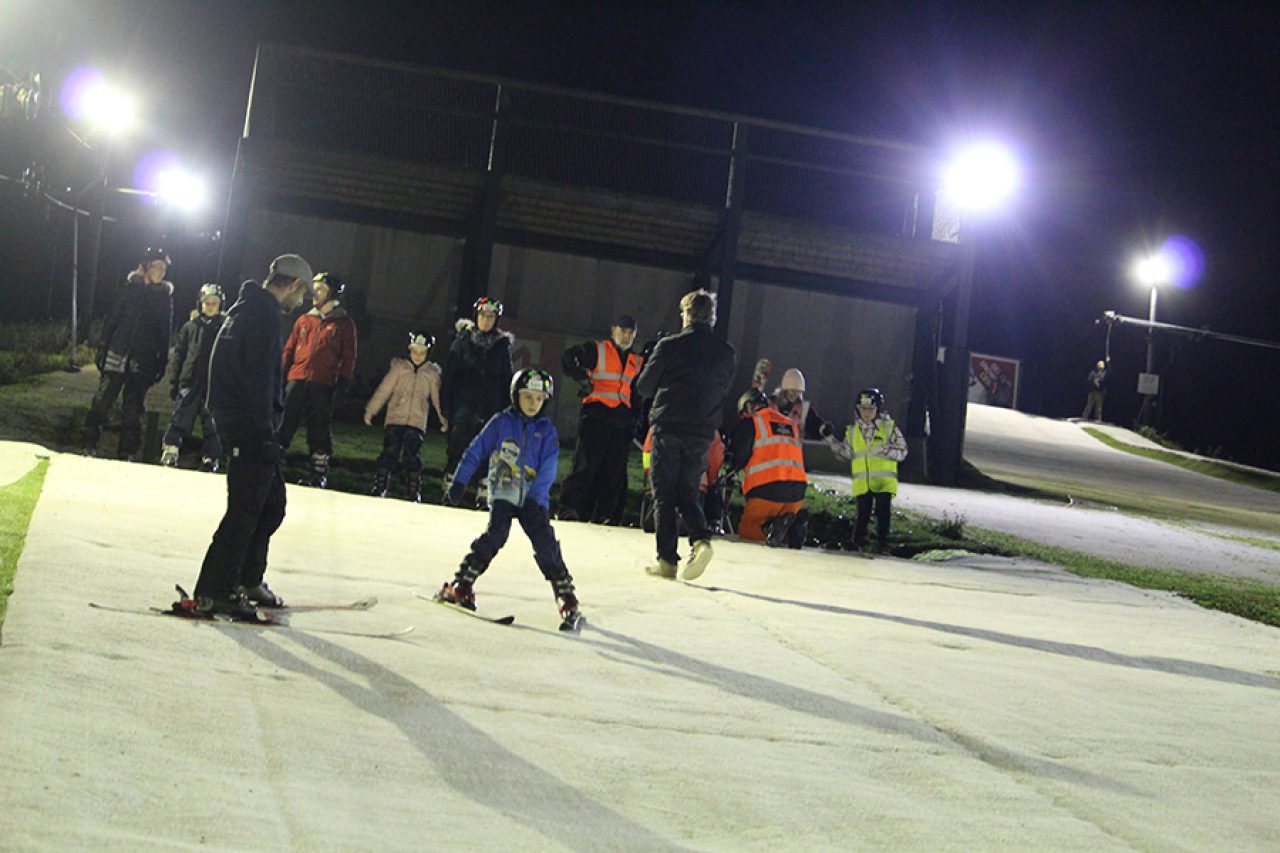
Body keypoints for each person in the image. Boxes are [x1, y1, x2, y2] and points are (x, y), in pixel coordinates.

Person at [187, 254, 313, 620]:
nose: (301, 302)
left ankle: (247, 577)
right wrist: (263, 433)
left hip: (246, 422)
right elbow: (258, 381)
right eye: (302, 294)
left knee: (271, 504)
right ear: (292, 285)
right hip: (249, 426)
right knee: (243, 512)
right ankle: (214, 589)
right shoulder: (260, 317)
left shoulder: (249, 309)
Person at [436, 368, 581, 628]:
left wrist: (536, 497)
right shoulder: (501, 422)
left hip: (533, 501)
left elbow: (549, 467)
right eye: (528, 397)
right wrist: (459, 481)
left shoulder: (547, 430)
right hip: (503, 493)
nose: (533, 404)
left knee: (545, 543)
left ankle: (565, 595)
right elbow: (476, 450)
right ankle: (462, 582)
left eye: (539, 398)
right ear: (516, 396)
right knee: (495, 535)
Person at [632, 289, 735, 580]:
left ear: (687, 315)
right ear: (712, 318)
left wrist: (656, 364)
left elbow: (644, 387)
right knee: (688, 491)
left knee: (664, 495)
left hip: (669, 425)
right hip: (703, 431)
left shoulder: (670, 346)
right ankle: (701, 541)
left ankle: (667, 561)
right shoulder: (726, 353)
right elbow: (722, 389)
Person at [81, 247, 174, 460]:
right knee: (102, 402)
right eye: (157, 267)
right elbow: (113, 319)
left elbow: (165, 332)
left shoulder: (164, 298)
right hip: (117, 353)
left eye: (163, 269)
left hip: (143, 361)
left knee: (133, 411)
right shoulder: (128, 289)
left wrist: (161, 361)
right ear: (146, 268)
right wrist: (103, 348)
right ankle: (88, 443)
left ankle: (127, 453)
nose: (161, 272)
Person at [557, 314, 645, 523]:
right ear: (613, 330)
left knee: (612, 472)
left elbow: (636, 393)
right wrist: (581, 378)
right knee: (585, 465)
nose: (626, 335)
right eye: (623, 330)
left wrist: (634, 419)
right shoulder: (598, 350)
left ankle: (603, 514)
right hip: (597, 416)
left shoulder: (636, 361)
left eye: (631, 332)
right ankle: (569, 507)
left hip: (621, 422)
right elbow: (568, 358)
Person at [279, 271, 358, 488]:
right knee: (285, 420)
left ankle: (318, 471)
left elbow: (349, 356)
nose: (314, 292)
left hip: (323, 382)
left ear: (332, 293)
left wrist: (342, 382)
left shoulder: (343, 323)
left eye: (320, 288)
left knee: (319, 427)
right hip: (298, 376)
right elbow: (289, 349)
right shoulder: (304, 319)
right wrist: (282, 373)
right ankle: (272, 463)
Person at [440, 296, 514, 501]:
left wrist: (507, 411)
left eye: (491, 316)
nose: (486, 320)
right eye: (483, 315)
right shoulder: (462, 341)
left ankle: (483, 493)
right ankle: (450, 490)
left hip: (490, 409)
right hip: (463, 407)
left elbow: (506, 381)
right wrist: (446, 407)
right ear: (476, 316)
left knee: (488, 452)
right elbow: (449, 376)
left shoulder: (501, 346)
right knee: (457, 448)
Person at [363, 332, 447, 502]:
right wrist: (371, 410)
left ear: (428, 354)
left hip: (417, 422)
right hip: (395, 419)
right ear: (409, 350)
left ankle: (413, 490)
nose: (417, 356)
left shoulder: (431, 374)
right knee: (389, 452)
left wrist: (442, 418)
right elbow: (384, 390)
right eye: (414, 351)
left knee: (412, 455)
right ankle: (380, 486)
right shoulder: (399, 369)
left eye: (422, 353)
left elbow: (437, 398)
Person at [728, 389, 809, 547]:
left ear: (749, 407)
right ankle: (790, 530)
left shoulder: (752, 422)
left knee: (749, 535)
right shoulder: (789, 423)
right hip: (797, 491)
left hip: (765, 489)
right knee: (780, 540)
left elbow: (739, 455)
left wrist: (732, 470)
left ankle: (773, 529)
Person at [160, 283, 225, 471]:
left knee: (212, 424)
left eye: (214, 303)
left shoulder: (224, 328)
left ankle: (211, 457)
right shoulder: (190, 327)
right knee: (180, 417)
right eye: (207, 303)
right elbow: (179, 355)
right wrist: (174, 381)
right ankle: (171, 449)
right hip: (190, 381)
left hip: (213, 385)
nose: (210, 306)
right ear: (200, 304)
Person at [845, 387, 908, 553]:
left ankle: (883, 543)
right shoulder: (852, 431)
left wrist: (887, 450)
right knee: (862, 513)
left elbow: (903, 451)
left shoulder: (889, 428)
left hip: (883, 482)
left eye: (870, 409)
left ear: (878, 410)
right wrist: (830, 440)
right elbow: (846, 452)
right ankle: (857, 541)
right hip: (863, 482)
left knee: (883, 513)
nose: (866, 413)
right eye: (863, 409)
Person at [773, 367, 852, 461]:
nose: (795, 395)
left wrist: (824, 429)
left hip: (792, 459)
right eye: (792, 391)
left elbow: (815, 425)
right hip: (772, 456)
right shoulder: (771, 407)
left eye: (798, 392)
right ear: (784, 390)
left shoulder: (804, 410)